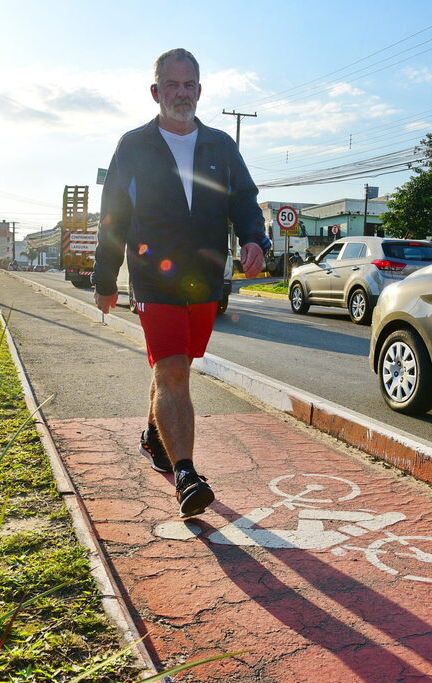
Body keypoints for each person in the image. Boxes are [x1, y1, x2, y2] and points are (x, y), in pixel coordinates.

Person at [92, 48, 271, 518]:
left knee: (177, 367)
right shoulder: (134, 145)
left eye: (188, 84)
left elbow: (244, 199)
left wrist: (255, 239)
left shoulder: (220, 146)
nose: (181, 93)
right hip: (154, 277)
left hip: (205, 280)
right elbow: (113, 214)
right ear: (156, 92)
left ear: (199, 90)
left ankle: (154, 437)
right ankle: (187, 475)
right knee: (172, 369)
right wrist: (105, 278)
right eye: (171, 85)